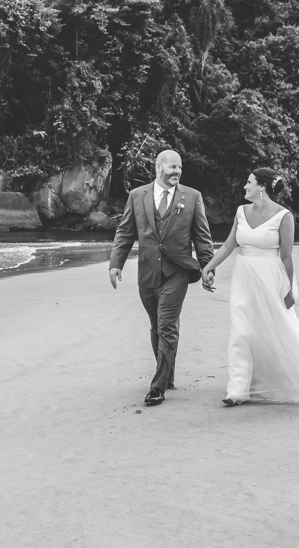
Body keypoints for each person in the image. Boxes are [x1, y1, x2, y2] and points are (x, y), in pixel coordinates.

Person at [200, 167, 299, 405]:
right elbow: (227, 246)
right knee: (241, 332)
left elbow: (286, 256)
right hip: (243, 279)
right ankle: (236, 390)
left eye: (249, 182)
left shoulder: (284, 216)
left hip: (270, 280)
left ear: (262, 188)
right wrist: (208, 267)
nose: (245, 187)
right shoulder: (241, 212)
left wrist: (288, 290)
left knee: (280, 332)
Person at [109, 150, 214, 406]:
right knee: (157, 326)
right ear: (158, 168)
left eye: (179, 168)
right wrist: (115, 264)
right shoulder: (137, 196)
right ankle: (168, 374)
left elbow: (202, 236)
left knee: (166, 325)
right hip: (147, 272)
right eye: (172, 168)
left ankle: (157, 387)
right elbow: (125, 232)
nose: (176, 172)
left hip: (178, 271)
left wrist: (208, 268)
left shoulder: (192, 197)